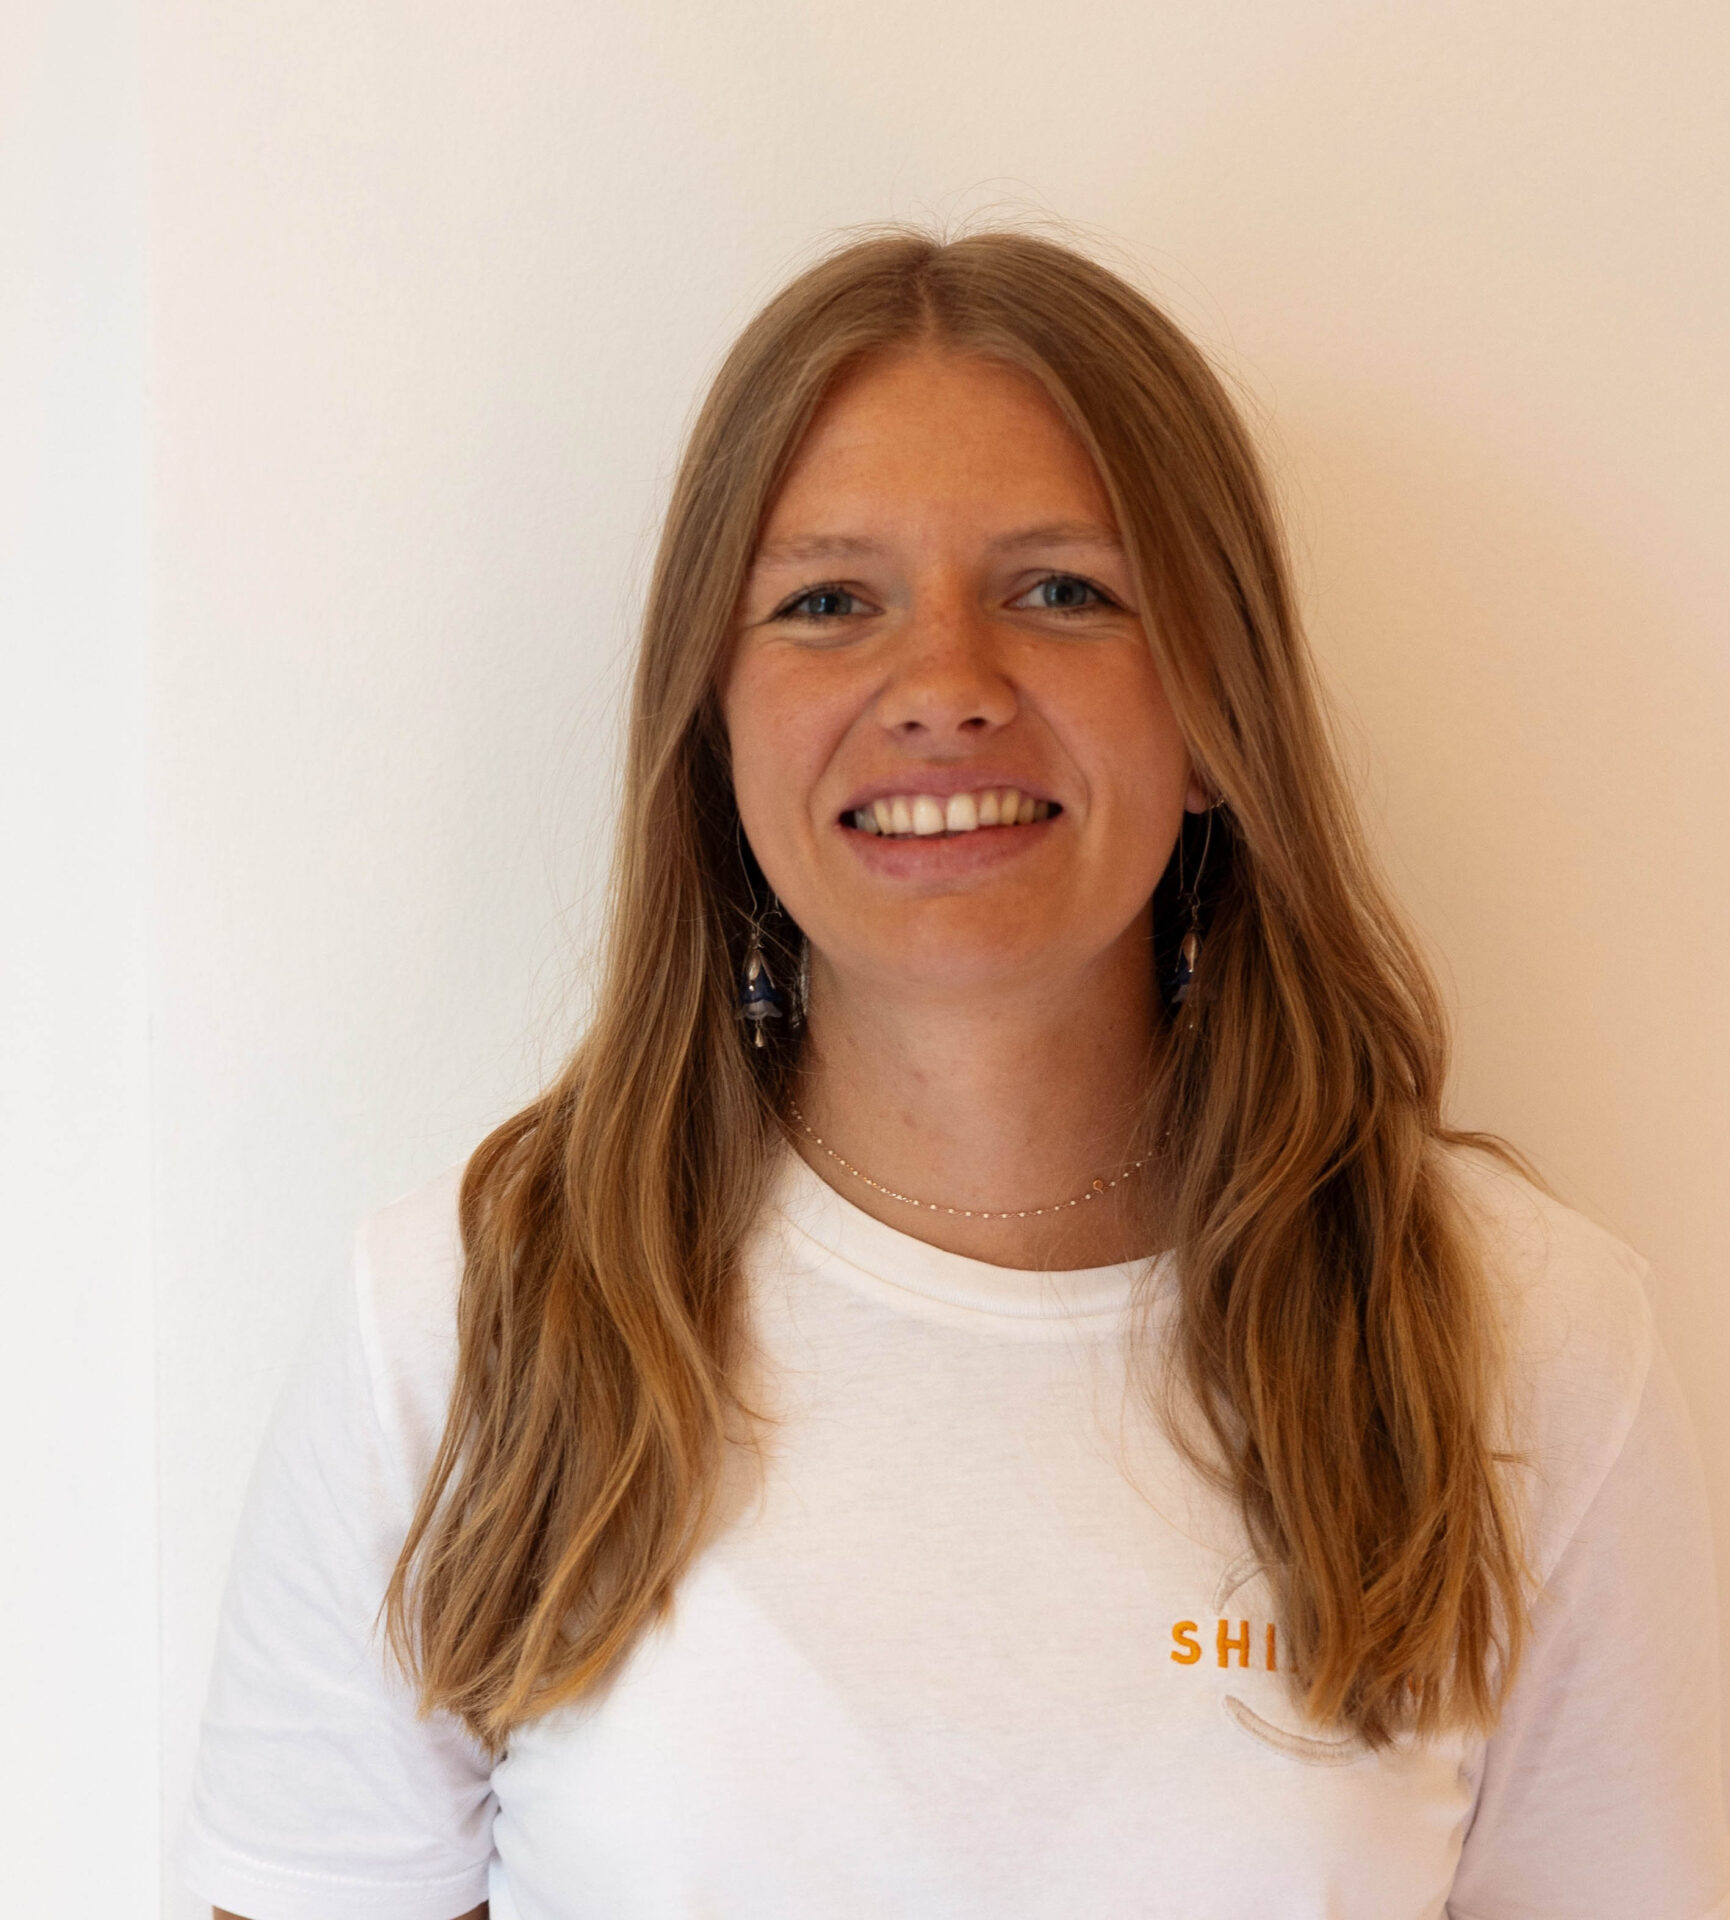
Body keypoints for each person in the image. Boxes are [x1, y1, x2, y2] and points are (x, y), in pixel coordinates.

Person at [182, 230, 1730, 1920]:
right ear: (714, 721)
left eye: (1060, 591)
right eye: (826, 603)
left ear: (1215, 716)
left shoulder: (1519, 1333)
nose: (942, 689)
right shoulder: (463, 1319)